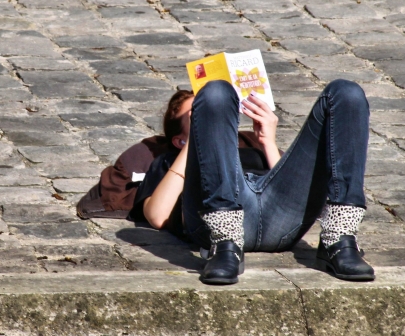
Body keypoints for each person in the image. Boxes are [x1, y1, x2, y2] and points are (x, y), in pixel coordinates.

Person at [129, 79, 375, 285]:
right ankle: (225, 245)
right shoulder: (168, 162)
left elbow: (296, 189)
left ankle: (339, 239)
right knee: (215, 92)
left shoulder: (252, 149)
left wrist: (267, 141)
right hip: (219, 222)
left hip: (279, 216)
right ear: (177, 139)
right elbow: (157, 214)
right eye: (195, 114)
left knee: (347, 92)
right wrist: (197, 137)